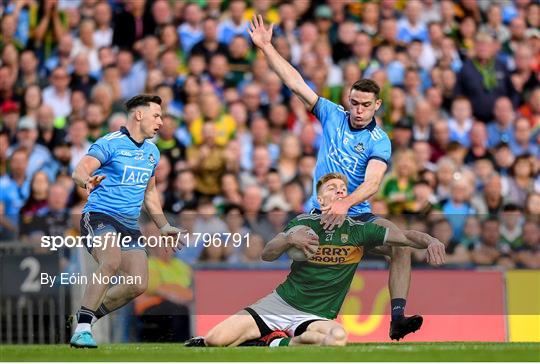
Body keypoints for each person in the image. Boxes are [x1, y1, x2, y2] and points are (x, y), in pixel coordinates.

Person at [247, 15, 442, 340]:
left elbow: (373, 183)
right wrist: (267, 47)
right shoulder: (331, 114)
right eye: (354, 102)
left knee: (401, 245)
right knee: (290, 256)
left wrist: (346, 204)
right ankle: (269, 324)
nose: (358, 109)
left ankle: (397, 318)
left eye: (366, 105)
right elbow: (296, 83)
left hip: (356, 214)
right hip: (319, 214)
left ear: (377, 105)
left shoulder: (379, 140)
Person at [185, 173, 445, 347]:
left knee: (338, 337)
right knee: (214, 341)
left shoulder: (358, 230)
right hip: (279, 304)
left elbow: (407, 237)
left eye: (344, 190)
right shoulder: (302, 223)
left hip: (315, 316)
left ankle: (275, 342)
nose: (340, 192)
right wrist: (289, 239)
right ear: (321, 200)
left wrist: (432, 241)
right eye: (333, 189)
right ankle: (275, 338)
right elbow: (267, 254)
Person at [69, 95, 183, 348]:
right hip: (100, 215)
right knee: (110, 261)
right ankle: (83, 329)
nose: (161, 122)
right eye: (157, 115)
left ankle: (85, 317)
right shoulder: (110, 143)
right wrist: (86, 181)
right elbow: (79, 170)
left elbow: (150, 193)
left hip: (129, 224)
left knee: (138, 283)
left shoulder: (153, 152)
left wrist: (164, 226)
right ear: (138, 115)